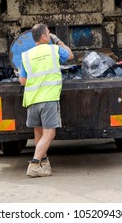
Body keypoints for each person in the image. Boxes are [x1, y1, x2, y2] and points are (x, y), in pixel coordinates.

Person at [19, 23, 74, 177]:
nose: (50, 35)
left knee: (39, 133)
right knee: (49, 134)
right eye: (49, 33)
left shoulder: (26, 55)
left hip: (32, 99)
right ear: (43, 37)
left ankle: (44, 163)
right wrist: (57, 40)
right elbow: (70, 55)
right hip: (48, 98)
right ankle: (35, 163)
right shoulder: (53, 49)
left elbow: (22, 81)